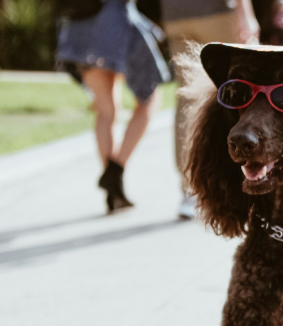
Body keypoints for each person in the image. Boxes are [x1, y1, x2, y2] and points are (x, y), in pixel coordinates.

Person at [56, 0, 171, 214]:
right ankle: (115, 171)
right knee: (149, 101)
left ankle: (113, 188)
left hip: (81, 29)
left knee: (106, 110)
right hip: (116, 24)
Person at [160, 0, 260, 219]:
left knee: (188, 98)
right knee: (243, 88)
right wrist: (246, 13)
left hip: (176, 15)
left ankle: (189, 190)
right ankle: (251, 182)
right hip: (219, 12)